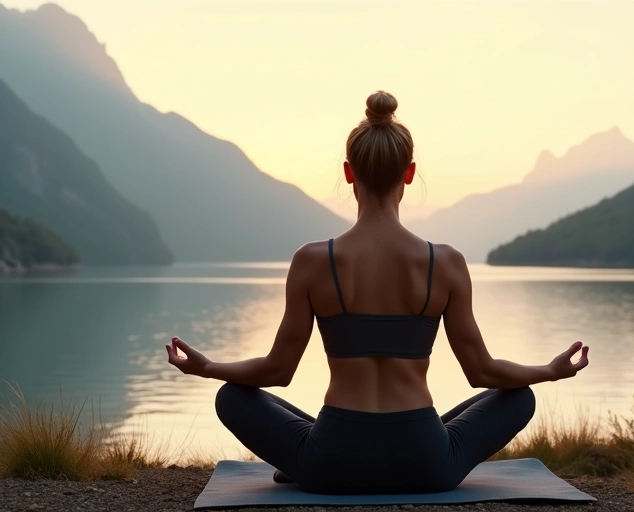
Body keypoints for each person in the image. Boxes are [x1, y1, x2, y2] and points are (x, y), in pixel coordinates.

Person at [165, 91, 590, 495]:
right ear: (409, 172)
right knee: (518, 397)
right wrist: (550, 371)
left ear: (349, 172)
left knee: (231, 396)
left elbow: (277, 371)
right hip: (427, 463)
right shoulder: (446, 263)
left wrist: (209, 367)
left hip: (331, 462)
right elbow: (483, 372)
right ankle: (391, 448)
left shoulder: (313, 261)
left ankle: (300, 462)